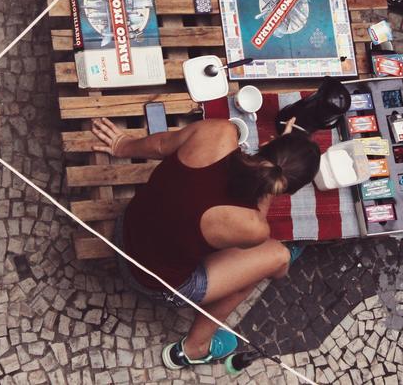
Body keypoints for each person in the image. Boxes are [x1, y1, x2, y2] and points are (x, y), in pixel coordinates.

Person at [90, 116, 321, 370]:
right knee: (276, 258)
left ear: (268, 142)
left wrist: (122, 145)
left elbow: (161, 144)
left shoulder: (219, 131)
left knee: (259, 254)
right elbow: (250, 233)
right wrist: (269, 186)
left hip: (125, 230)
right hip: (156, 284)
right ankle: (194, 348)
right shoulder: (252, 225)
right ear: (284, 191)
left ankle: (277, 267)